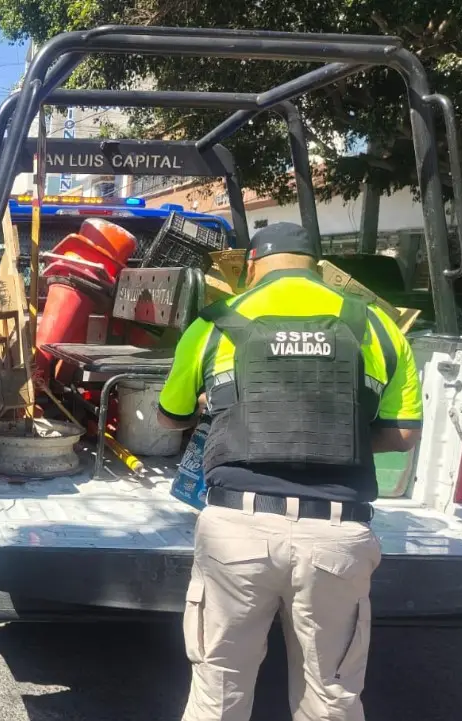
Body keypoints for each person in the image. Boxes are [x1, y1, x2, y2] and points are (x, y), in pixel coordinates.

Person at [157, 222, 423, 721]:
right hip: (337, 536)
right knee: (331, 697)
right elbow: (404, 434)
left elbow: (169, 418)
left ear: (253, 266)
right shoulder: (377, 325)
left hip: (236, 533)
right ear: (318, 266)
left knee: (217, 693)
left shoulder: (215, 321)